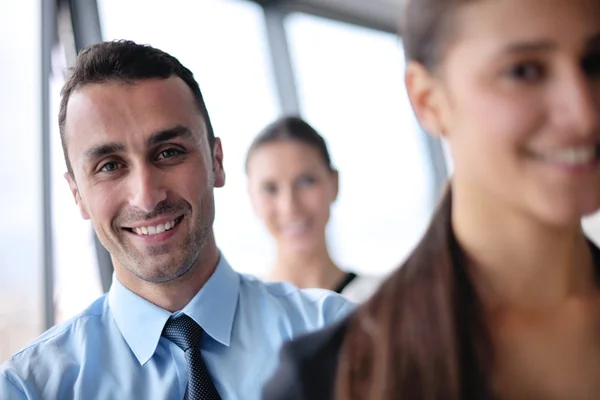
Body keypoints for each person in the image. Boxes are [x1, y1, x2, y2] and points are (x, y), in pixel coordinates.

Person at [263, 0, 600, 398]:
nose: (585, 115)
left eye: (594, 62)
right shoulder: (329, 379)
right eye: (524, 71)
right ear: (429, 100)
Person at [0, 40, 354, 400]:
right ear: (77, 194)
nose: (147, 195)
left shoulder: (340, 336)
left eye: (168, 153)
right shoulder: (32, 388)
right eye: (109, 166)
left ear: (216, 161)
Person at [245, 116, 383, 302]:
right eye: (270, 189)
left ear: (334, 183)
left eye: (305, 181)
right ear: (252, 197)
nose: (289, 206)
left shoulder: (382, 301)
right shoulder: (241, 314)